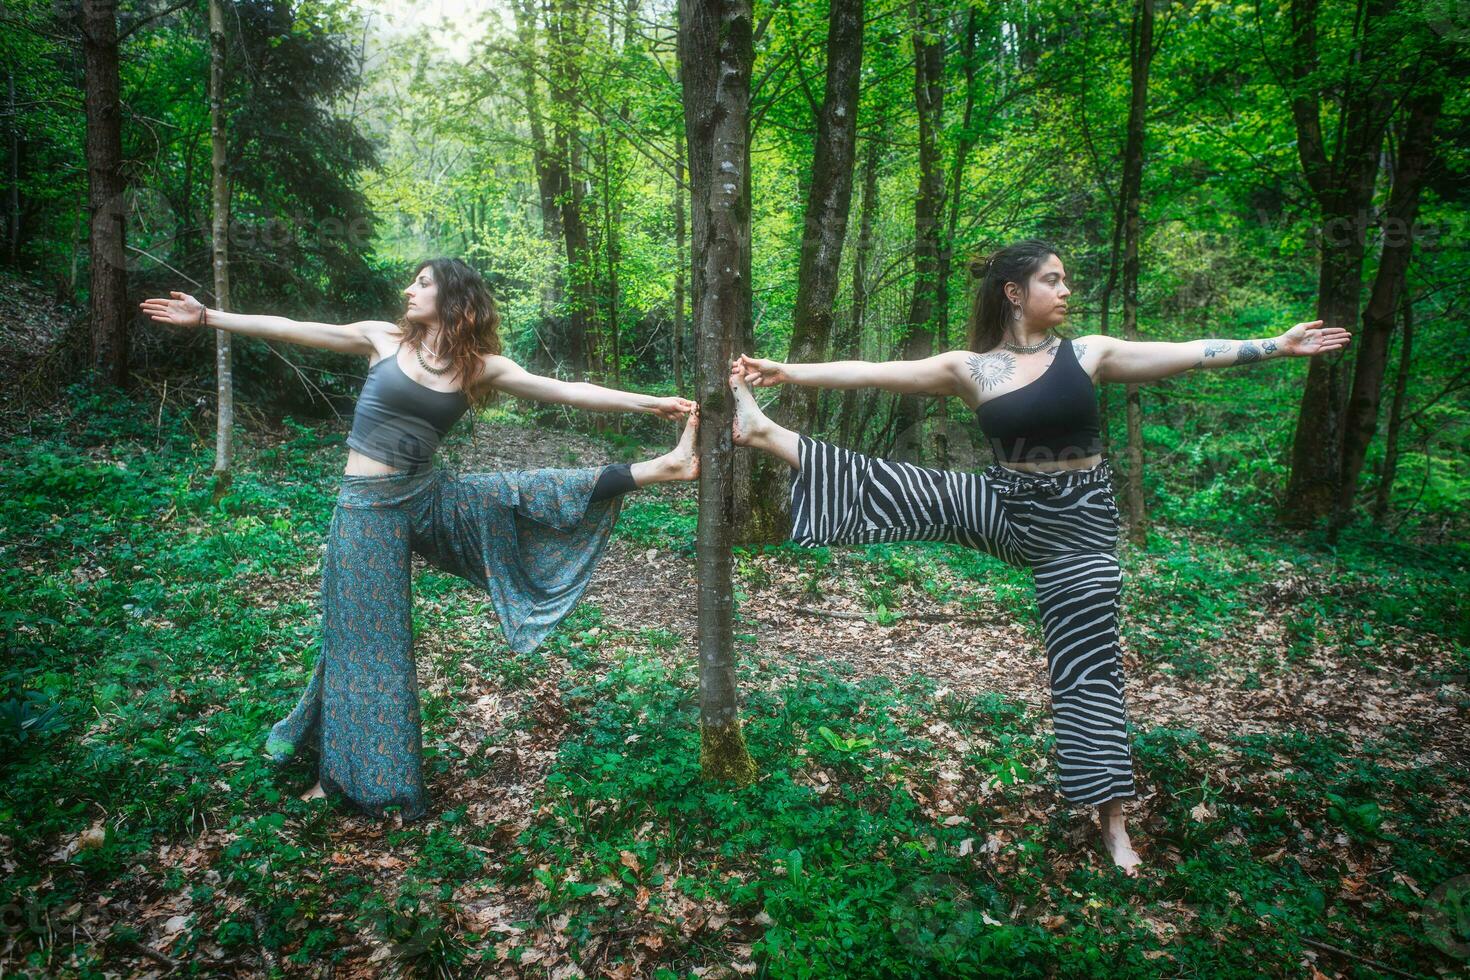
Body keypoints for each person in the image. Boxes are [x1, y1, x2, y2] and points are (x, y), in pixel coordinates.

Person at [726, 237, 1350, 875]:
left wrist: (1274, 344)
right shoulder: (971, 368)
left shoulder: (1088, 354)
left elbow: (1187, 355)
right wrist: (788, 371)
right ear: (1014, 293)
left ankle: (1113, 821)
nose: (1066, 290)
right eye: (1053, 280)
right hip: (1006, 506)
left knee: (1086, 667)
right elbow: (871, 371)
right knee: (916, 488)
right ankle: (766, 432)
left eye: (1066, 280)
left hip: (1078, 532)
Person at [139, 257, 699, 821]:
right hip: (366, 511)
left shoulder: (479, 367)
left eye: (423, 283)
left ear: (454, 296)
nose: (409, 290)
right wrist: (208, 316)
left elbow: (566, 390)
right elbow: (290, 326)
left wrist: (649, 403)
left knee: (518, 492)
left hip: (428, 496)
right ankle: (350, 778)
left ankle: (663, 468)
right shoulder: (380, 339)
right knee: (368, 644)